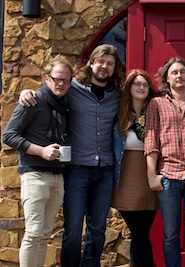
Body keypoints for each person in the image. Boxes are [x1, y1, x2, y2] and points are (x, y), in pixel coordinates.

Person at [19, 44, 124, 267]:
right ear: (92, 63)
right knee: (73, 230)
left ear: (115, 68)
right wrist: (26, 92)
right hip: (77, 169)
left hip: (104, 169)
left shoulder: (117, 95)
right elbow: (48, 92)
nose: (104, 66)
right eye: (100, 61)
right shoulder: (73, 88)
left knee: (98, 231)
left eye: (110, 63)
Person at [2, 55, 73, 267]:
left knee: (44, 234)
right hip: (34, 174)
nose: (60, 83)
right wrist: (40, 151)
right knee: (33, 233)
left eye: (65, 80)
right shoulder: (33, 101)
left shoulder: (65, 105)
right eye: (56, 78)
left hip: (57, 177)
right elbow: (8, 135)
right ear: (46, 78)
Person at [144, 57, 185, 267]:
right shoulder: (156, 104)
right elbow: (151, 140)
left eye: (183, 71)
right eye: (174, 72)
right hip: (168, 176)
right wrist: (152, 175)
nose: (179, 75)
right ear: (167, 78)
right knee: (171, 235)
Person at [111, 69, 158, 267]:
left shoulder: (157, 111)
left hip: (151, 176)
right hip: (126, 179)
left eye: (145, 84)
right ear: (129, 88)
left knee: (141, 233)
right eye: (136, 84)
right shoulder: (118, 113)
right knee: (139, 232)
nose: (141, 87)